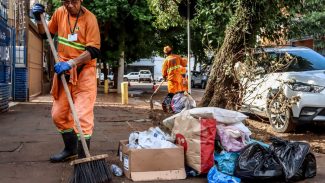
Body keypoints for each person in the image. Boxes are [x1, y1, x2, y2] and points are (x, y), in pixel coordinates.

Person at [32, 0, 100, 162]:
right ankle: (70, 149)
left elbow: (93, 50)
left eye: (73, 1)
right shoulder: (60, 13)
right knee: (58, 115)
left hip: (84, 73)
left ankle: (84, 161)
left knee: (82, 117)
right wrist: (38, 19)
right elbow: (44, 34)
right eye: (66, 1)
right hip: (63, 73)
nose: (69, 5)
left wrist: (71, 63)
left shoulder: (90, 19)